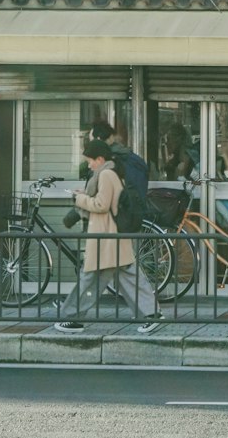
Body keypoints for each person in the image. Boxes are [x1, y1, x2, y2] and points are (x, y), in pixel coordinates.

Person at [54, 139, 162, 334]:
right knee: (128, 277)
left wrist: (79, 198)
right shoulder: (113, 172)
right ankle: (152, 314)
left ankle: (72, 317)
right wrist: (85, 197)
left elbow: (101, 205)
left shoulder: (105, 174)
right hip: (113, 237)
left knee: (91, 279)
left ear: (100, 158)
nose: (89, 165)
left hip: (106, 237)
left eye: (90, 160)